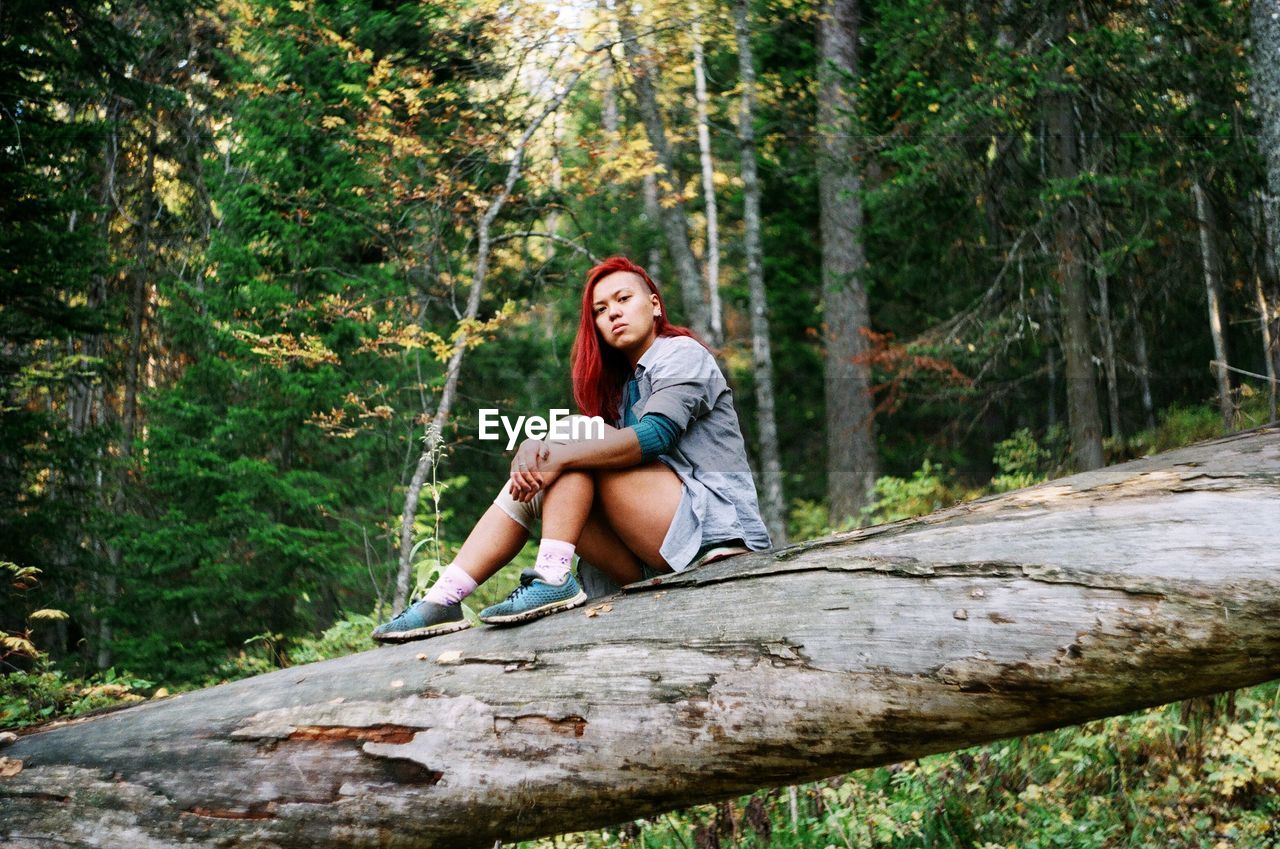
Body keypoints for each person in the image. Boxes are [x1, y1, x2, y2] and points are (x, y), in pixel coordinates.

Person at [372, 256, 772, 643]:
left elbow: (654, 436)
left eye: (623, 299)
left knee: (576, 440)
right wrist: (540, 447)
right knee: (564, 462)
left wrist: (556, 449)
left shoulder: (682, 354)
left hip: (712, 535)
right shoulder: (621, 390)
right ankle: (444, 599)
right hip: (650, 557)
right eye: (600, 310)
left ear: (654, 305)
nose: (613, 313)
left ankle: (551, 578)